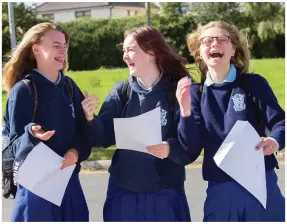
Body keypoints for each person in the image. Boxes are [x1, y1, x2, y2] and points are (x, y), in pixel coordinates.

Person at [176, 21, 285, 221]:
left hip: (260, 184)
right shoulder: (195, 94)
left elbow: (280, 122)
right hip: (220, 191)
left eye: (222, 40)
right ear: (199, 52)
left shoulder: (253, 84)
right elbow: (191, 149)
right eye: (207, 41)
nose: (214, 44)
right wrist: (185, 112)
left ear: (233, 49)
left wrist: (274, 141)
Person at [81, 26, 193, 221]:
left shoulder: (178, 91)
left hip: (166, 194)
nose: (125, 56)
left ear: (151, 52)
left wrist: (169, 148)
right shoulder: (122, 92)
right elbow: (103, 137)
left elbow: (189, 146)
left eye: (130, 49)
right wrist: (91, 119)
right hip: (123, 193)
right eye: (123, 50)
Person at [3, 22, 92, 222]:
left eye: (65, 45)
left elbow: (84, 133)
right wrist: (31, 134)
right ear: (36, 49)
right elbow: (15, 145)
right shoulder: (23, 90)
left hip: (70, 187)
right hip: (37, 192)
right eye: (55, 45)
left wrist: (75, 152)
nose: (63, 50)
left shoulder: (69, 87)